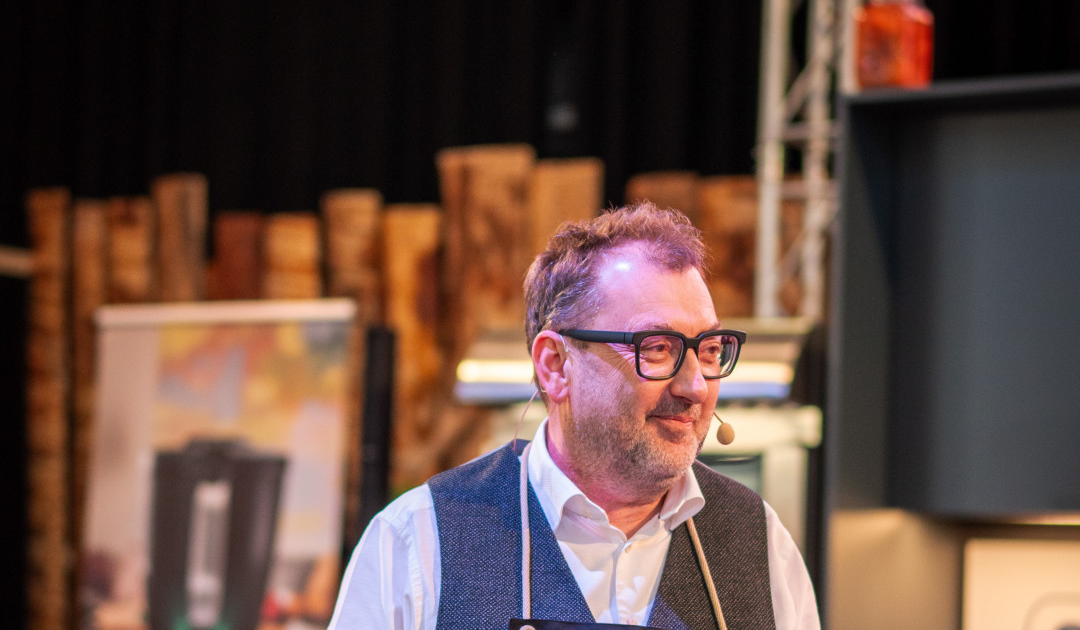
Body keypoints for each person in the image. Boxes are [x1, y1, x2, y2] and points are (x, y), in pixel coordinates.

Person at [327, 202, 820, 629]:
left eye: (709, 349)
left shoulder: (759, 541)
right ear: (556, 365)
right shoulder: (419, 540)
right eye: (657, 348)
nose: (694, 386)